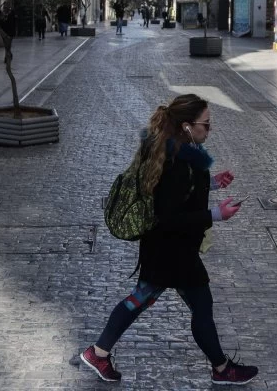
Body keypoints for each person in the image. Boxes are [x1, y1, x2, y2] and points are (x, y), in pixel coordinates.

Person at [80, 94, 259, 385]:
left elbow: (175, 194)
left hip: (163, 250)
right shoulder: (176, 160)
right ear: (187, 126)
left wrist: (211, 183)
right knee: (200, 305)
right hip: (174, 252)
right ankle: (222, 369)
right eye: (206, 124)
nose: (209, 129)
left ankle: (98, 352)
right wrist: (215, 214)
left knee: (140, 299)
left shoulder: (177, 152)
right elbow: (169, 216)